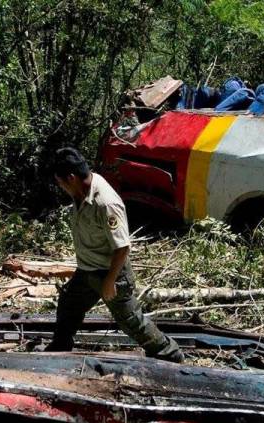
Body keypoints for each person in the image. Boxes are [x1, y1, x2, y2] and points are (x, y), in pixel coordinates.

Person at [46, 147, 184, 363]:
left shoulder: (106, 203)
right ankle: (60, 347)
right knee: (68, 305)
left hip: (111, 272)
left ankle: (170, 354)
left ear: (71, 178)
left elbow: (122, 247)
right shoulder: (80, 191)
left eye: (61, 182)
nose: (61, 187)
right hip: (87, 270)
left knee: (130, 320)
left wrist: (110, 282)